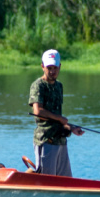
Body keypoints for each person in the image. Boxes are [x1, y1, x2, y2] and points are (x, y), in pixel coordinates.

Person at [28, 48, 83, 176]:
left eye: (55, 68)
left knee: (66, 184)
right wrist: (59, 118)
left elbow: (58, 119)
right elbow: (38, 111)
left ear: (60, 66)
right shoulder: (38, 85)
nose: (52, 71)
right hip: (46, 141)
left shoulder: (59, 86)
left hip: (61, 142)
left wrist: (72, 128)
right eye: (49, 68)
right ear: (42, 66)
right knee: (48, 184)